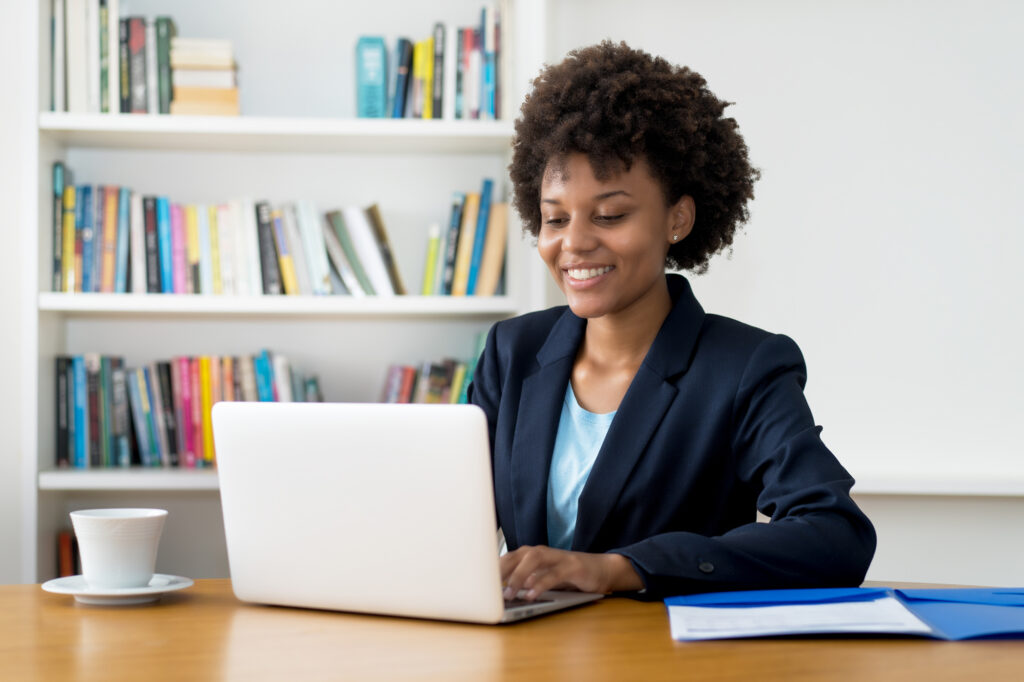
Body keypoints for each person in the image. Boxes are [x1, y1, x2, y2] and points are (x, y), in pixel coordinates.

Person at [466, 41, 876, 601]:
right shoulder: (512, 351)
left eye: (610, 215)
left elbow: (836, 535)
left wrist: (618, 569)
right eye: (555, 218)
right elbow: (447, 518)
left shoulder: (743, 367)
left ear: (677, 219)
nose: (575, 242)